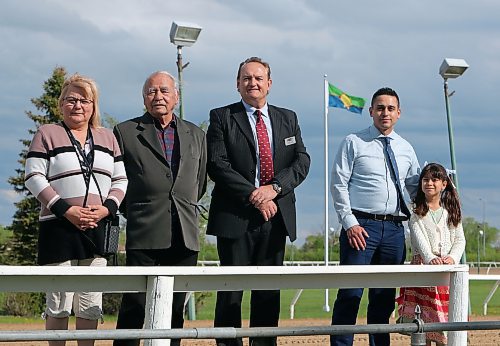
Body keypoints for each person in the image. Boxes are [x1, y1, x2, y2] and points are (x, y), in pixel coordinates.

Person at [206, 56, 310, 346]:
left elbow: (302, 161)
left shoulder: (288, 117)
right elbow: (217, 164)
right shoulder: (222, 116)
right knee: (231, 294)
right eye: (246, 78)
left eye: (258, 78)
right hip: (235, 217)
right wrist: (255, 195)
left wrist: (274, 189)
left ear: (269, 83)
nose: (253, 83)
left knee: (267, 294)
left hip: (276, 217)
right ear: (237, 84)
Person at [25, 73, 128, 346]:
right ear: (61, 104)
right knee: (59, 301)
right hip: (58, 228)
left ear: (94, 106)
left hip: (98, 228)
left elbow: (120, 179)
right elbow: (34, 177)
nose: (78, 105)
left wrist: (106, 209)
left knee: (90, 303)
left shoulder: (108, 137)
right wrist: (64, 209)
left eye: (85, 100)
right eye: (71, 99)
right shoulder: (47, 133)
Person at [113, 71, 207, 346]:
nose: (158, 97)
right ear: (144, 98)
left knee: (175, 309)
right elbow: (118, 182)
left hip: (184, 233)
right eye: (152, 92)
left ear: (176, 97)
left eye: (164, 91)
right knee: (134, 306)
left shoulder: (197, 134)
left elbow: (198, 182)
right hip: (144, 232)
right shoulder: (125, 132)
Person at [330, 87, 420, 346]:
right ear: (371, 111)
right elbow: (339, 185)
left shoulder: (406, 149)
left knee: (383, 298)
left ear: (399, 113)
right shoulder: (353, 142)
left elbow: (415, 188)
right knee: (350, 294)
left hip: (394, 231)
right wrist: (350, 224)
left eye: (390, 108)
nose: (385, 113)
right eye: (380, 108)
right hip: (361, 229)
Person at [397, 163, 465, 345]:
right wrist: (430, 258)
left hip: (445, 271)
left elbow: (460, 240)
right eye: (426, 180)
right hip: (423, 272)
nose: (430, 183)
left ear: (444, 184)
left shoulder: (451, 210)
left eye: (435, 180)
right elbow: (419, 238)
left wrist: (451, 258)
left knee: (444, 326)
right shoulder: (416, 212)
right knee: (424, 325)